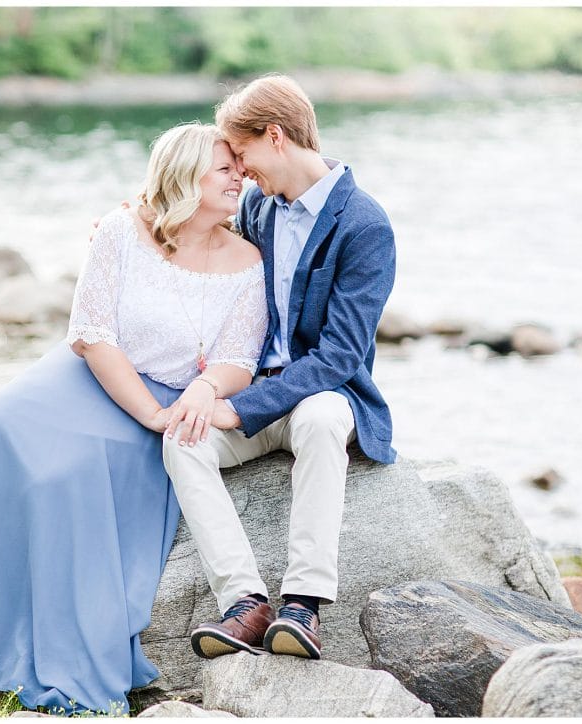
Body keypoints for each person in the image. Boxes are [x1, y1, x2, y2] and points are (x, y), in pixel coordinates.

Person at [0, 122, 269, 714]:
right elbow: (92, 335)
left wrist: (192, 397)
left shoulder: (247, 261)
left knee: (64, 475)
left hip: (174, 396)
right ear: (185, 175)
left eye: (241, 166)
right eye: (225, 167)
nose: (241, 176)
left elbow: (239, 359)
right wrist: (149, 412)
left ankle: (38, 645)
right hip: (96, 377)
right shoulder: (121, 230)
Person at [163, 74, 397, 662]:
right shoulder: (258, 209)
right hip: (255, 391)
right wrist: (138, 225)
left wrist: (237, 408)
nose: (239, 173)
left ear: (274, 137)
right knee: (184, 440)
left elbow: (340, 356)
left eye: (240, 156)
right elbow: (199, 241)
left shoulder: (365, 225)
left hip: (327, 394)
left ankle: (303, 605)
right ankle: (245, 601)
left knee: (319, 420)